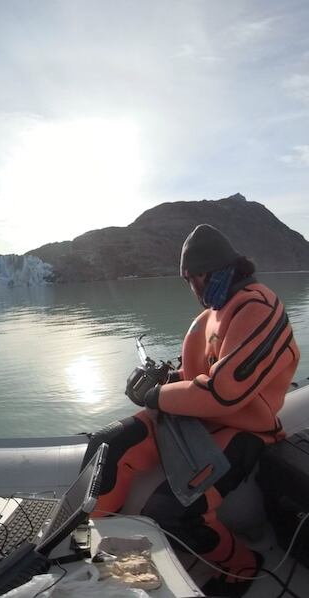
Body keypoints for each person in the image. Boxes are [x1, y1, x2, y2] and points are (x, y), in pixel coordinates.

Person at [85, 224, 299, 597]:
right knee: (106, 446)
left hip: (246, 428)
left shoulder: (258, 306)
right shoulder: (208, 317)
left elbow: (224, 392)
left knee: (173, 511)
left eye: (198, 276)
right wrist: (167, 379)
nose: (195, 287)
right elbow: (196, 376)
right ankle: (96, 551)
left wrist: (156, 396)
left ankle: (242, 566)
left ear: (223, 269)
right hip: (194, 417)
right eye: (188, 279)